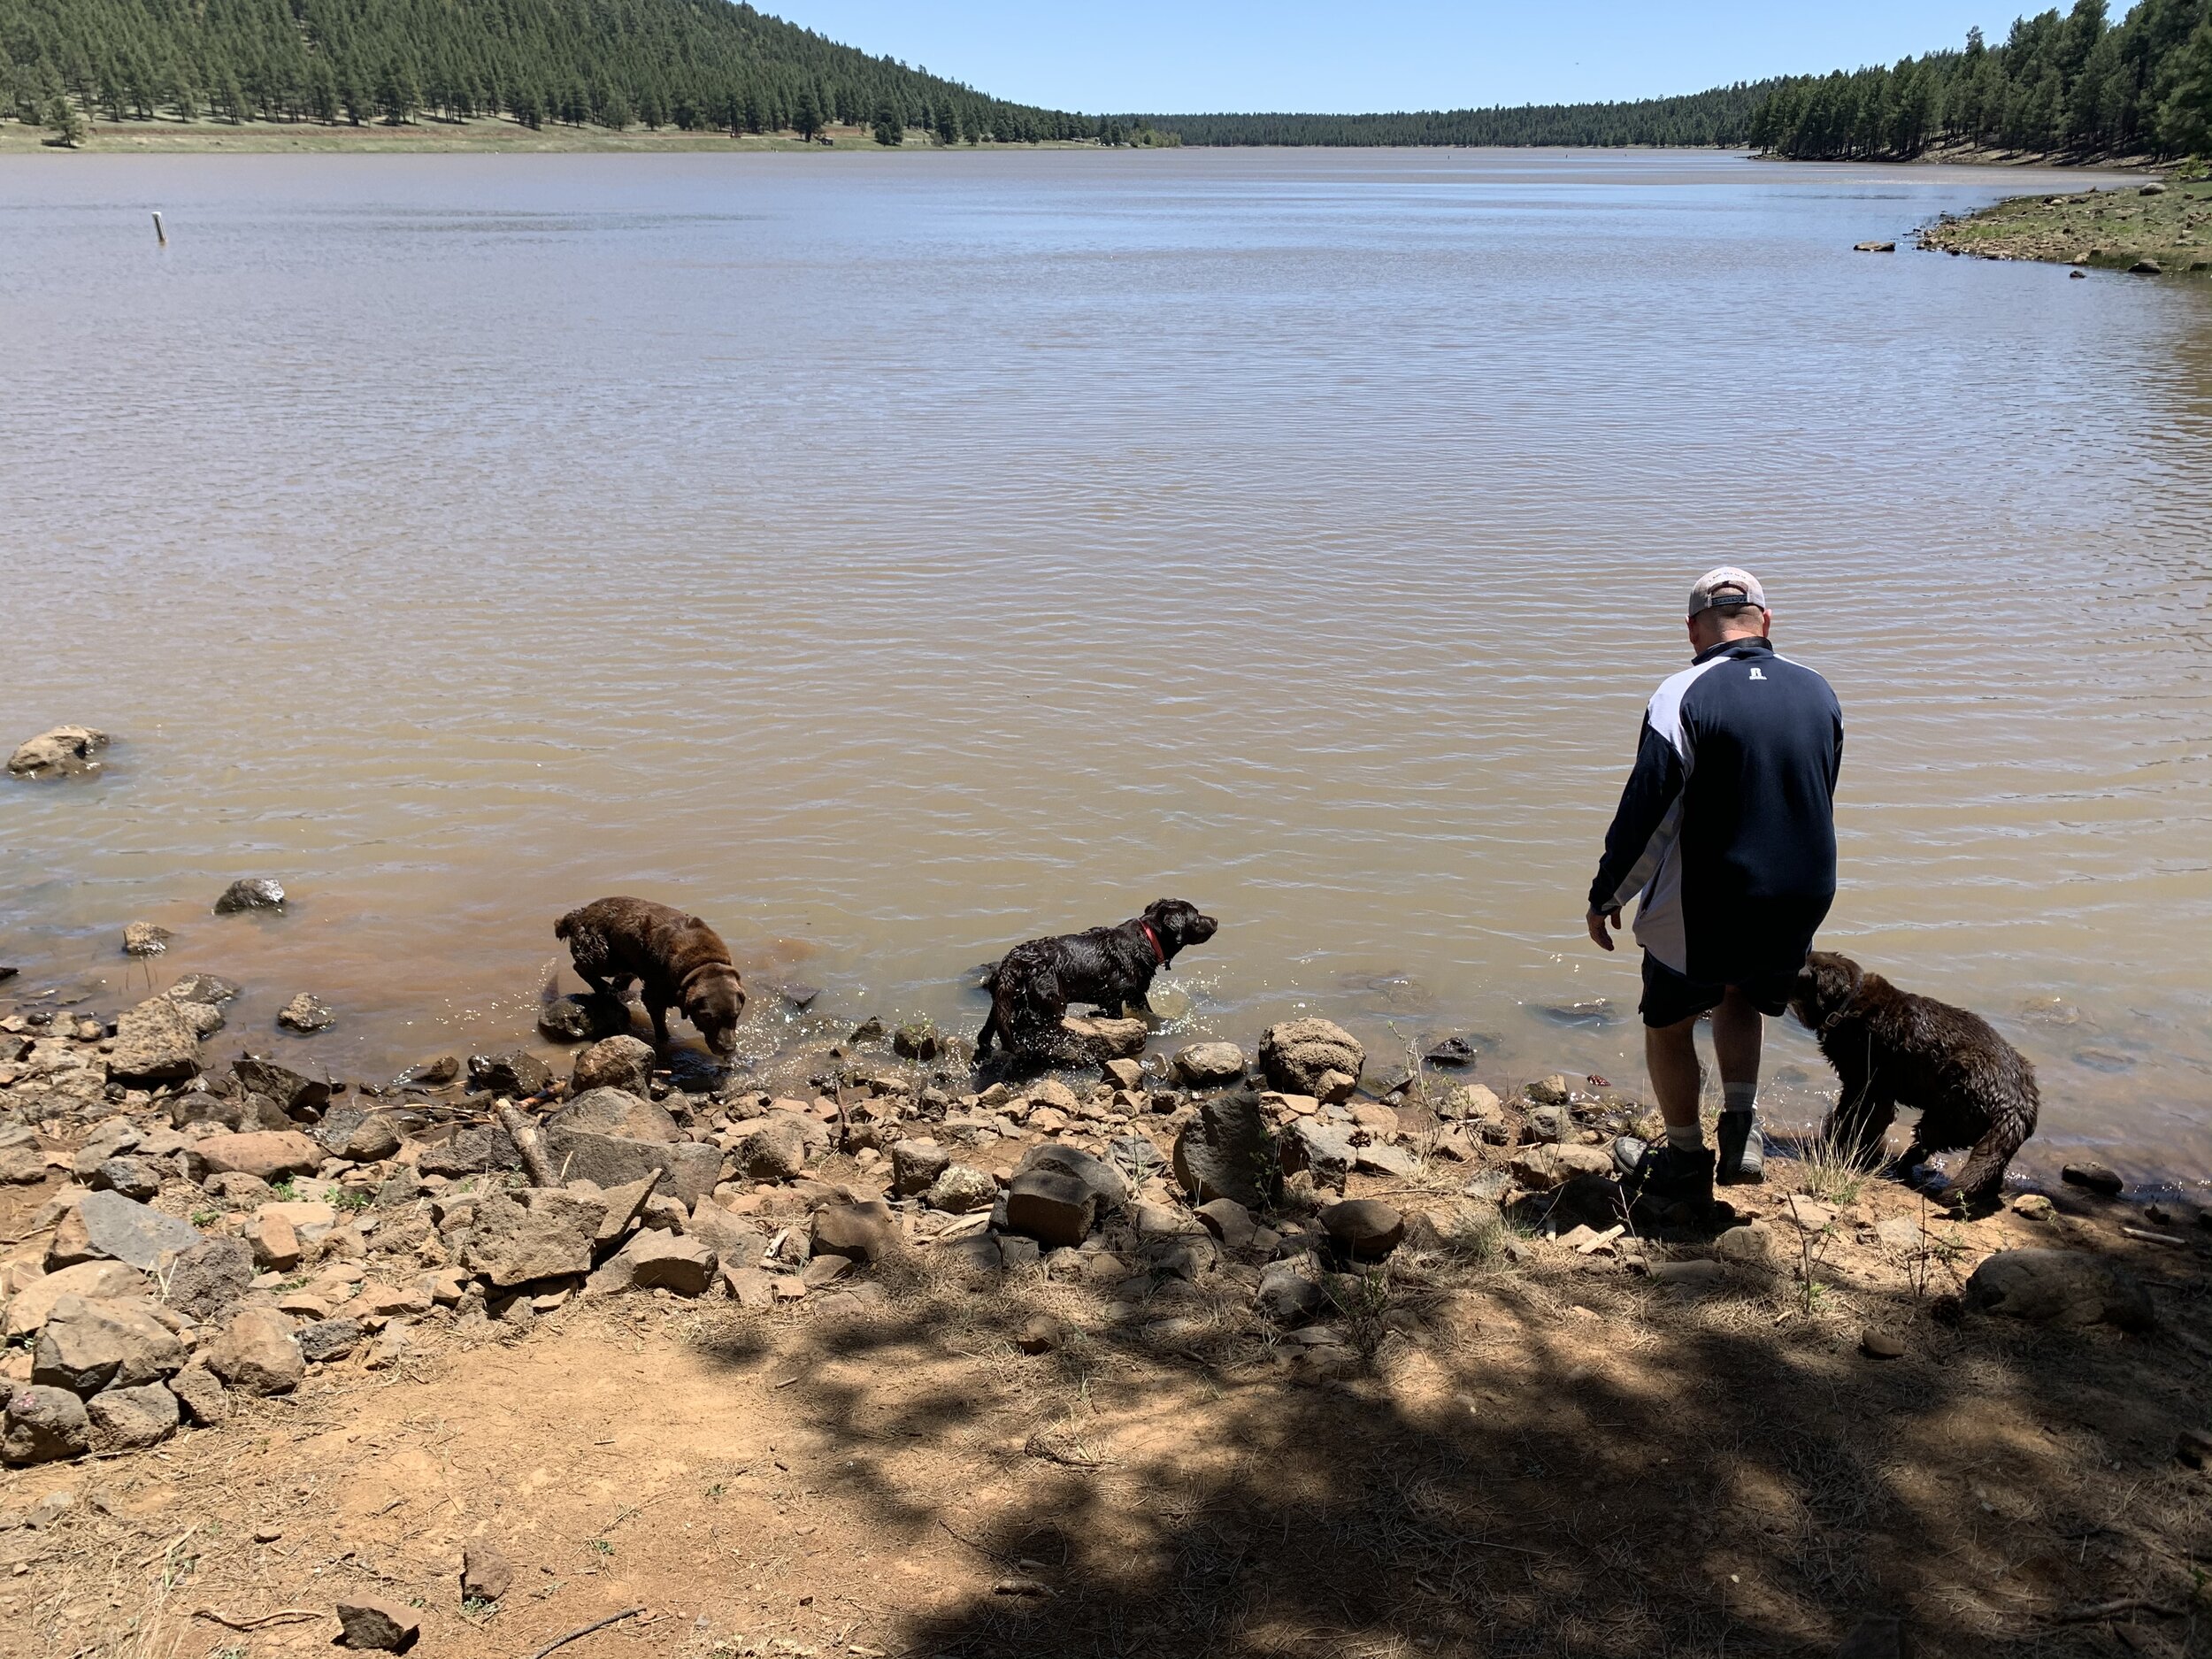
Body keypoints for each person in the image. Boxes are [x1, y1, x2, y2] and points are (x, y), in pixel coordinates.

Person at [1586, 567, 1843, 1213]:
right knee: (1742, 992)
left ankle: (1683, 1160)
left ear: (1693, 630)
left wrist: (1609, 891)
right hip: (1803, 893)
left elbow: (1650, 804)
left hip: (1711, 894)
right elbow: (1816, 793)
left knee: (1668, 1020)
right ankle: (1741, 1128)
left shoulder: (1681, 693)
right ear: (1766, 620)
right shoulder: (1820, 691)